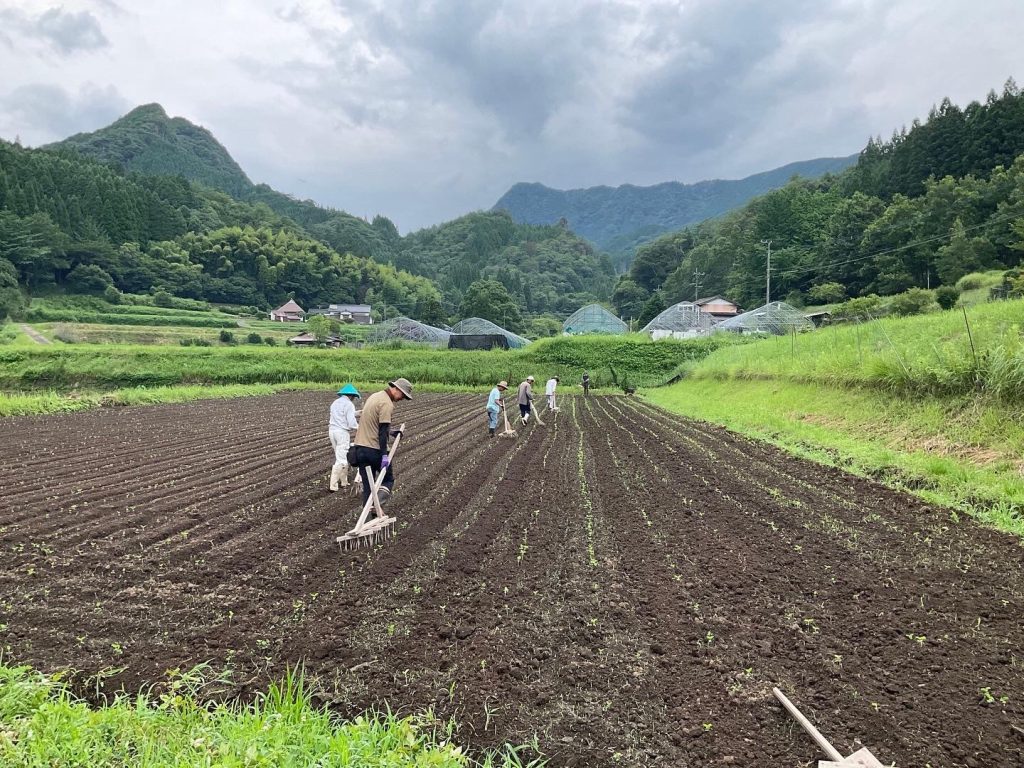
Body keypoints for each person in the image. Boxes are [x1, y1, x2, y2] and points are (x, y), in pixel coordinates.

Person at [351, 378, 413, 510]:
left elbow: (372, 423)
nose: (402, 398)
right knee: (388, 479)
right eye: (402, 395)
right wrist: (384, 455)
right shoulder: (387, 404)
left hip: (359, 449)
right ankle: (376, 506)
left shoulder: (374, 397)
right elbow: (382, 432)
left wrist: (391, 432)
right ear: (396, 389)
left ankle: (368, 516)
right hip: (374, 450)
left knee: (369, 486)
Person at [328, 384, 360, 492]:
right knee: (342, 458)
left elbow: (341, 414)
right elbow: (351, 423)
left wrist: (357, 413)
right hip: (342, 433)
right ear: (351, 396)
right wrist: (360, 428)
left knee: (341, 456)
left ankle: (344, 481)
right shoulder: (349, 404)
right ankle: (333, 485)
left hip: (332, 431)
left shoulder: (335, 403)